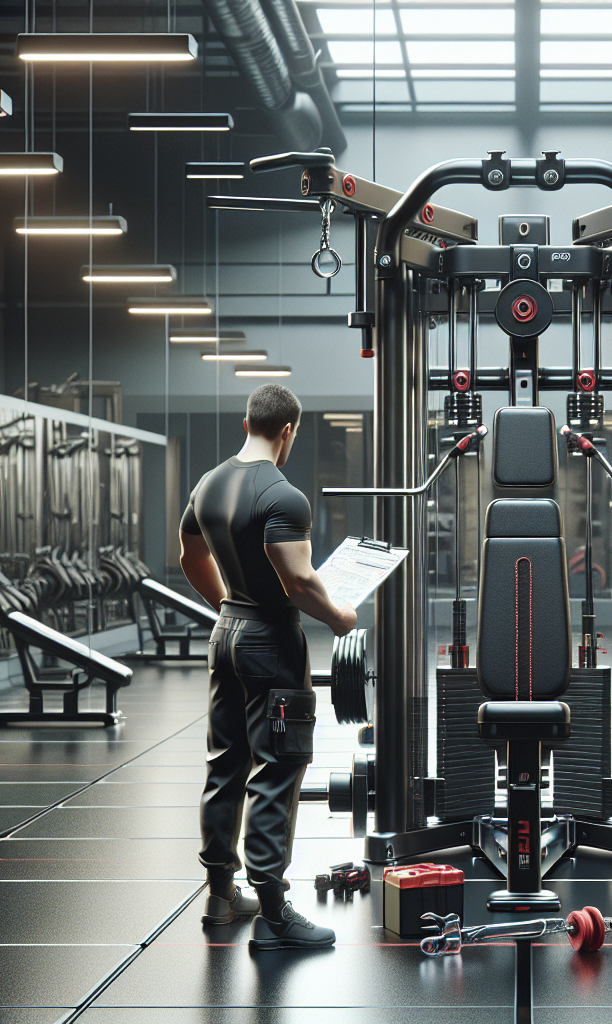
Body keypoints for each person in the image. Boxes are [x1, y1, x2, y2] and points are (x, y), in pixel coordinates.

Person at [179, 383, 357, 950]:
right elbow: (298, 581)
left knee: (225, 763)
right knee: (277, 770)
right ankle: (275, 913)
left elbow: (191, 557)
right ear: (288, 432)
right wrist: (339, 618)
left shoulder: (209, 483)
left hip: (227, 630)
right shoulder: (283, 494)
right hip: (270, 641)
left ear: (248, 422)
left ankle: (221, 896)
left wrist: (227, 609)